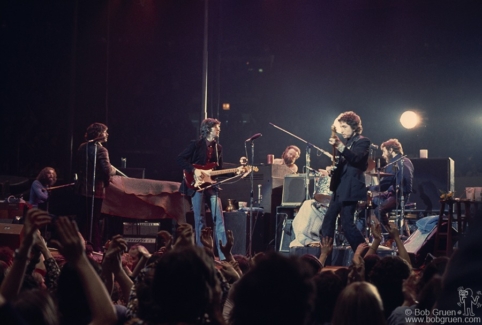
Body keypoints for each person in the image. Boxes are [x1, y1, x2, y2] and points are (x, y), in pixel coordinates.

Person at [177, 118, 228, 260]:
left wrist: (238, 171)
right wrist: (194, 170)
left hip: (211, 185)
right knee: (199, 219)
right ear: (208, 129)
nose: (219, 130)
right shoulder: (196, 144)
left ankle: (224, 256)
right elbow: (180, 159)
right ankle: (202, 254)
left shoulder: (219, 148)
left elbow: (219, 170)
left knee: (219, 218)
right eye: (217, 127)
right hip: (196, 184)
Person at [320, 111, 369, 254]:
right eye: (340, 127)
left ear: (354, 127)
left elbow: (356, 159)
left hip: (350, 189)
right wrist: (334, 169)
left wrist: (340, 147)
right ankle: (324, 255)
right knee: (328, 222)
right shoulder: (348, 143)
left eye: (344, 127)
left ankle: (365, 254)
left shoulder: (363, 141)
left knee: (347, 225)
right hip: (339, 188)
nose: (341, 131)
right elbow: (346, 164)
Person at [75, 122, 116, 252]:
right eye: (105, 131)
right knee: (94, 220)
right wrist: (113, 171)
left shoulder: (82, 147)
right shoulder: (102, 149)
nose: (107, 134)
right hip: (96, 190)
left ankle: (80, 246)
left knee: (83, 220)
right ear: (98, 134)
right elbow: (106, 170)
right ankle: (96, 247)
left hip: (82, 190)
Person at [370, 139, 414, 226]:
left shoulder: (394, 163)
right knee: (373, 200)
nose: (383, 155)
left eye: (384, 151)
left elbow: (384, 186)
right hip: (403, 196)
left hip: (397, 197)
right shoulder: (408, 161)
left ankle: (389, 236)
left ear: (391, 150)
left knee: (378, 210)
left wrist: (371, 188)